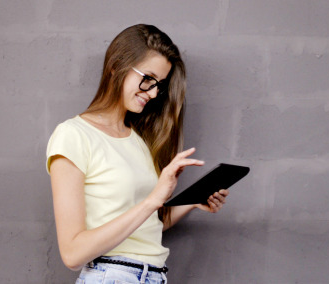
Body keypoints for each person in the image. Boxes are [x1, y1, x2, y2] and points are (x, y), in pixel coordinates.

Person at [46, 24, 229, 284]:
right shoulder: (73, 135)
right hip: (112, 276)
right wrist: (152, 201)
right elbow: (73, 253)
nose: (154, 92)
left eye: (160, 85)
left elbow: (146, 225)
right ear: (116, 66)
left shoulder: (139, 141)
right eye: (148, 78)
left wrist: (192, 201)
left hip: (153, 276)